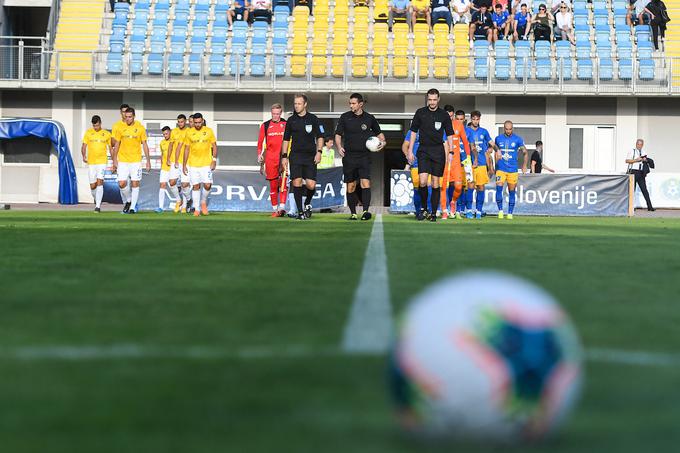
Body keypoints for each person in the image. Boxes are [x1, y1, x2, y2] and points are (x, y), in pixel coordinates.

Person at [405, 88, 456, 222]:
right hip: (423, 150)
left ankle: (433, 212)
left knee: (435, 183)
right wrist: (410, 151)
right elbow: (413, 132)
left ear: (438, 100)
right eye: (430, 99)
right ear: (427, 99)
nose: (432, 102)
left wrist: (451, 151)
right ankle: (423, 208)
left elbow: (450, 134)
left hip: (438, 151)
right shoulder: (420, 113)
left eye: (434, 99)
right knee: (422, 181)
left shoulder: (444, 115)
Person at [335, 93, 386, 221]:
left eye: (353, 103)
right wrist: (339, 146)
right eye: (350, 103)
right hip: (349, 157)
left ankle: (365, 212)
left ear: (360, 104)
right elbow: (338, 134)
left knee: (365, 183)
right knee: (351, 186)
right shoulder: (345, 117)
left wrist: (383, 143)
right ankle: (353, 213)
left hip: (364, 156)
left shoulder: (369, 118)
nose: (351, 105)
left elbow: (380, 135)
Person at [280, 94, 325, 221]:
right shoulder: (291, 120)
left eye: (299, 103)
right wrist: (284, 156)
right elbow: (286, 139)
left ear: (305, 104)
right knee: (297, 182)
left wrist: (319, 152)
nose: (296, 106)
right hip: (295, 156)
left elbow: (320, 136)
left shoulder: (313, 119)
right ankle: (300, 212)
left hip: (310, 156)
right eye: (295, 103)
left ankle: (307, 204)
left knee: (311, 185)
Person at [112, 107, 150, 214]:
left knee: (135, 183)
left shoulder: (140, 128)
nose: (128, 119)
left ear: (134, 116)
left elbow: (145, 145)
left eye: (130, 117)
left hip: (136, 161)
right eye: (126, 117)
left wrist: (148, 160)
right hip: (123, 161)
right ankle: (128, 200)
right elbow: (117, 144)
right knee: (122, 183)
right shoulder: (120, 128)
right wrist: (114, 160)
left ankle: (133, 207)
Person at [183, 113, 217, 217]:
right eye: (196, 122)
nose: (197, 124)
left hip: (206, 164)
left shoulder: (209, 131)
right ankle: (197, 209)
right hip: (193, 164)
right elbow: (187, 149)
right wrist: (184, 165)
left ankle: (203, 202)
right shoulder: (189, 132)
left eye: (199, 122)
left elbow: (214, 146)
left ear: (202, 121)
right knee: (196, 186)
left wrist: (214, 160)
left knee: (207, 185)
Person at [257, 103, 288, 217]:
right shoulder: (265, 125)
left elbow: (291, 140)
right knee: (273, 185)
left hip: (284, 158)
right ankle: (275, 210)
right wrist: (259, 154)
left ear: (281, 113)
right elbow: (260, 142)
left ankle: (282, 208)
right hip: (270, 158)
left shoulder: (286, 124)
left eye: (278, 114)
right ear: (271, 113)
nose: (276, 116)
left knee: (284, 184)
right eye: (274, 114)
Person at [494, 120, 528, 219]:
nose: (508, 131)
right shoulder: (498, 139)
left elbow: (525, 152)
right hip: (501, 168)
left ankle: (510, 213)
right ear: (503, 128)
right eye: (506, 129)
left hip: (512, 169)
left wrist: (524, 165)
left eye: (510, 129)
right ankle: (500, 211)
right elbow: (495, 152)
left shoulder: (518, 139)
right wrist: (494, 165)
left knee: (511, 191)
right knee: (499, 189)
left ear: (512, 129)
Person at [466, 110, 496, 218]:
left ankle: (479, 210)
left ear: (479, 119)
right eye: (473, 119)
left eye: (477, 119)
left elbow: (492, 143)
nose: (475, 121)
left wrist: (496, 150)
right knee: (470, 186)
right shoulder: (467, 131)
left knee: (481, 187)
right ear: (471, 119)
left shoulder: (484, 131)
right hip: (470, 163)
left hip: (482, 164)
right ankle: (469, 210)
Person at [81, 115, 112, 213]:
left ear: (100, 123)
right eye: (94, 126)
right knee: (92, 186)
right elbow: (84, 146)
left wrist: (114, 161)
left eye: (97, 125)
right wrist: (83, 156)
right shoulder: (88, 133)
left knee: (100, 182)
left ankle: (98, 206)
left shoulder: (106, 134)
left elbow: (110, 148)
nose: (96, 127)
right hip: (91, 162)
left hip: (102, 162)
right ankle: (96, 199)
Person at [168, 114, 191, 213]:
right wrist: (169, 158)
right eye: (179, 122)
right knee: (172, 182)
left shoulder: (189, 131)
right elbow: (171, 145)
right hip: (175, 161)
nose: (180, 123)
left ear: (185, 121)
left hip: (187, 161)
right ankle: (178, 200)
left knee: (184, 184)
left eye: (182, 121)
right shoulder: (174, 131)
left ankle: (186, 204)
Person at [626, 139, 655, 211]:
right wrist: (636, 160)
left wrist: (645, 160)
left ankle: (650, 206)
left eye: (641, 144)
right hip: (633, 171)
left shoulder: (644, 152)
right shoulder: (632, 151)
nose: (639, 146)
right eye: (638, 144)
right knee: (632, 190)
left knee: (644, 189)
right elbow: (627, 160)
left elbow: (645, 161)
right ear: (636, 144)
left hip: (641, 172)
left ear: (642, 145)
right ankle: (631, 207)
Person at [155, 126, 179, 213]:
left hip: (173, 166)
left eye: (166, 134)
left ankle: (178, 200)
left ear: (170, 132)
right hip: (164, 167)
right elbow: (162, 154)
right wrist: (162, 164)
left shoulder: (174, 142)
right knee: (162, 185)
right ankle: (161, 207)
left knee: (173, 183)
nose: (165, 136)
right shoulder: (162, 143)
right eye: (164, 134)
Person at [402, 130, 424, 216]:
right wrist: (408, 156)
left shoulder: (431, 128)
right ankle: (418, 211)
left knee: (428, 186)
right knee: (417, 188)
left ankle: (427, 209)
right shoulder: (412, 131)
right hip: (415, 165)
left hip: (429, 163)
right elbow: (404, 146)